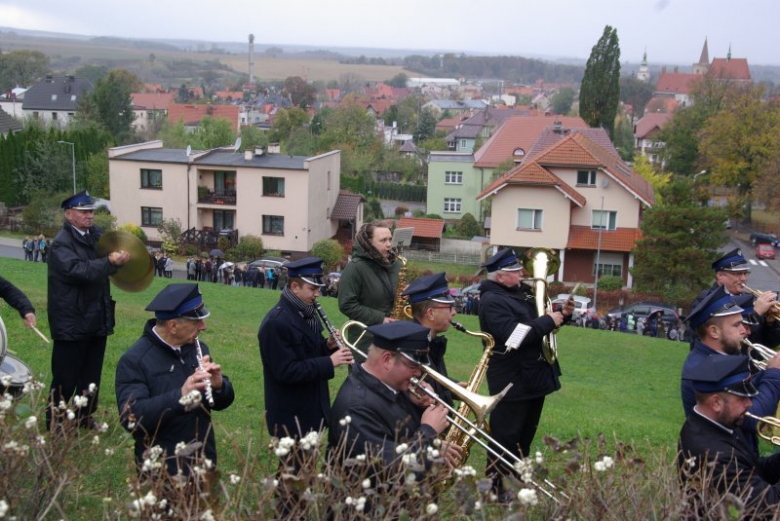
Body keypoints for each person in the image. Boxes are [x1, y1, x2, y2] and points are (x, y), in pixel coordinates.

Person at [477, 248, 574, 501]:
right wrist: (548, 321)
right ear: (500, 276)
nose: (522, 274)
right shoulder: (492, 301)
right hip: (511, 379)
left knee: (524, 437)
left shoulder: (521, 294)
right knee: (505, 438)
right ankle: (496, 490)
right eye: (515, 271)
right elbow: (514, 336)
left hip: (533, 377)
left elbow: (542, 322)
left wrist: (562, 314)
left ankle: (516, 484)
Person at [115, 283, 235, 476]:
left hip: (203, 461)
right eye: (197, 322)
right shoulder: (135, 360)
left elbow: (221, 401)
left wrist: (220, 385)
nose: (204, 327)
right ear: (172, 326)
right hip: (163, 469)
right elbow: (131, 418)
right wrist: (181, 395)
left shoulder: (198, 348)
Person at [46, 190, 131, 430]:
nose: (89, 216)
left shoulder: (97, 237)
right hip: (71, 320)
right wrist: (109, 263)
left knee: (91, 376)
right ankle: (56, 423)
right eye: (83, 212)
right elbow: (78, 272)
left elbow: (105, 267)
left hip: (96, 317)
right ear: (69, 214)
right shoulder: (62, 243)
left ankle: (84, 417)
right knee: (65, 378)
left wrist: (120, 260)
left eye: (91, 211)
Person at [328, 321, 462, 470]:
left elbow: (397, 438)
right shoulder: (356, 407)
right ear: (387, 360)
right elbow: (390, 470)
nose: (418, 373)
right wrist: (428, 432)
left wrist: (417, 407)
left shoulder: (388, 386)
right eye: (413, 366)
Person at [259, 257, 353, 438]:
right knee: (293, 466)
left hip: (311, 409)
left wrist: (327, 346)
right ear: (295, 287)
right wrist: (329, 362)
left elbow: (308, 352)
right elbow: (286, 371)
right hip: (291, 416)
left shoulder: (305, 311)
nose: (317, 294)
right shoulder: (276, 323)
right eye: (312, 288)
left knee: (307, 465)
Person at [678, 354, 780, 516]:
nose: (750, 404)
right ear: (716, 402)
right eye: (742, 399)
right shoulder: (715, 455)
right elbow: (769, 508)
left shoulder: (715, 421)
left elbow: (751, 470)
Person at [680, 286, 780, 451]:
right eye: (737, 325)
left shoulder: (720, 357)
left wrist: (769, 370)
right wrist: (774, 374)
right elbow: (752, 417)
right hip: (726, 462)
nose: (744, 331)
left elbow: (747, 390)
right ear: (714, 331)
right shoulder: (706, 367)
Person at [692, 249, 780, 349]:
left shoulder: (750, 300)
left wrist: (771, 323)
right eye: (737, 274)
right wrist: (755, 313)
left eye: (745, 273)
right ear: (720, 276)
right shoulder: (706, 299)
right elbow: (723, 337)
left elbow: (767, 343)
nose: (743, 279)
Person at [401, 272, 458, 408]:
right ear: (430, 313)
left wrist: (452, 387)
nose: (454, 312)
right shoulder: (412, 349)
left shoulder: (430, 342)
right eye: (449, 307)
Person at [338, 221, 400, 330]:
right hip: (367, 338)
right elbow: (347, 305)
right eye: (383, 240)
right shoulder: (355, 267)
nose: (389, 244)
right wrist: (380, 319)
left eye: (390, 239)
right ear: (369, 242)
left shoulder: (395, 264)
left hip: (394, 333)